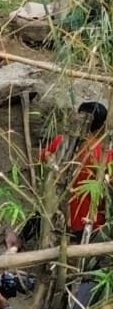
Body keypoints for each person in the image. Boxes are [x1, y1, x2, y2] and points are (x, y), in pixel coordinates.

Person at [39, 101, 113, 239]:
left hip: (57, 218)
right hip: (91, 223)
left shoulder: (61, 141)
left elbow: (43, 156)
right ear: (102, 126)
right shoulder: (105, 155)